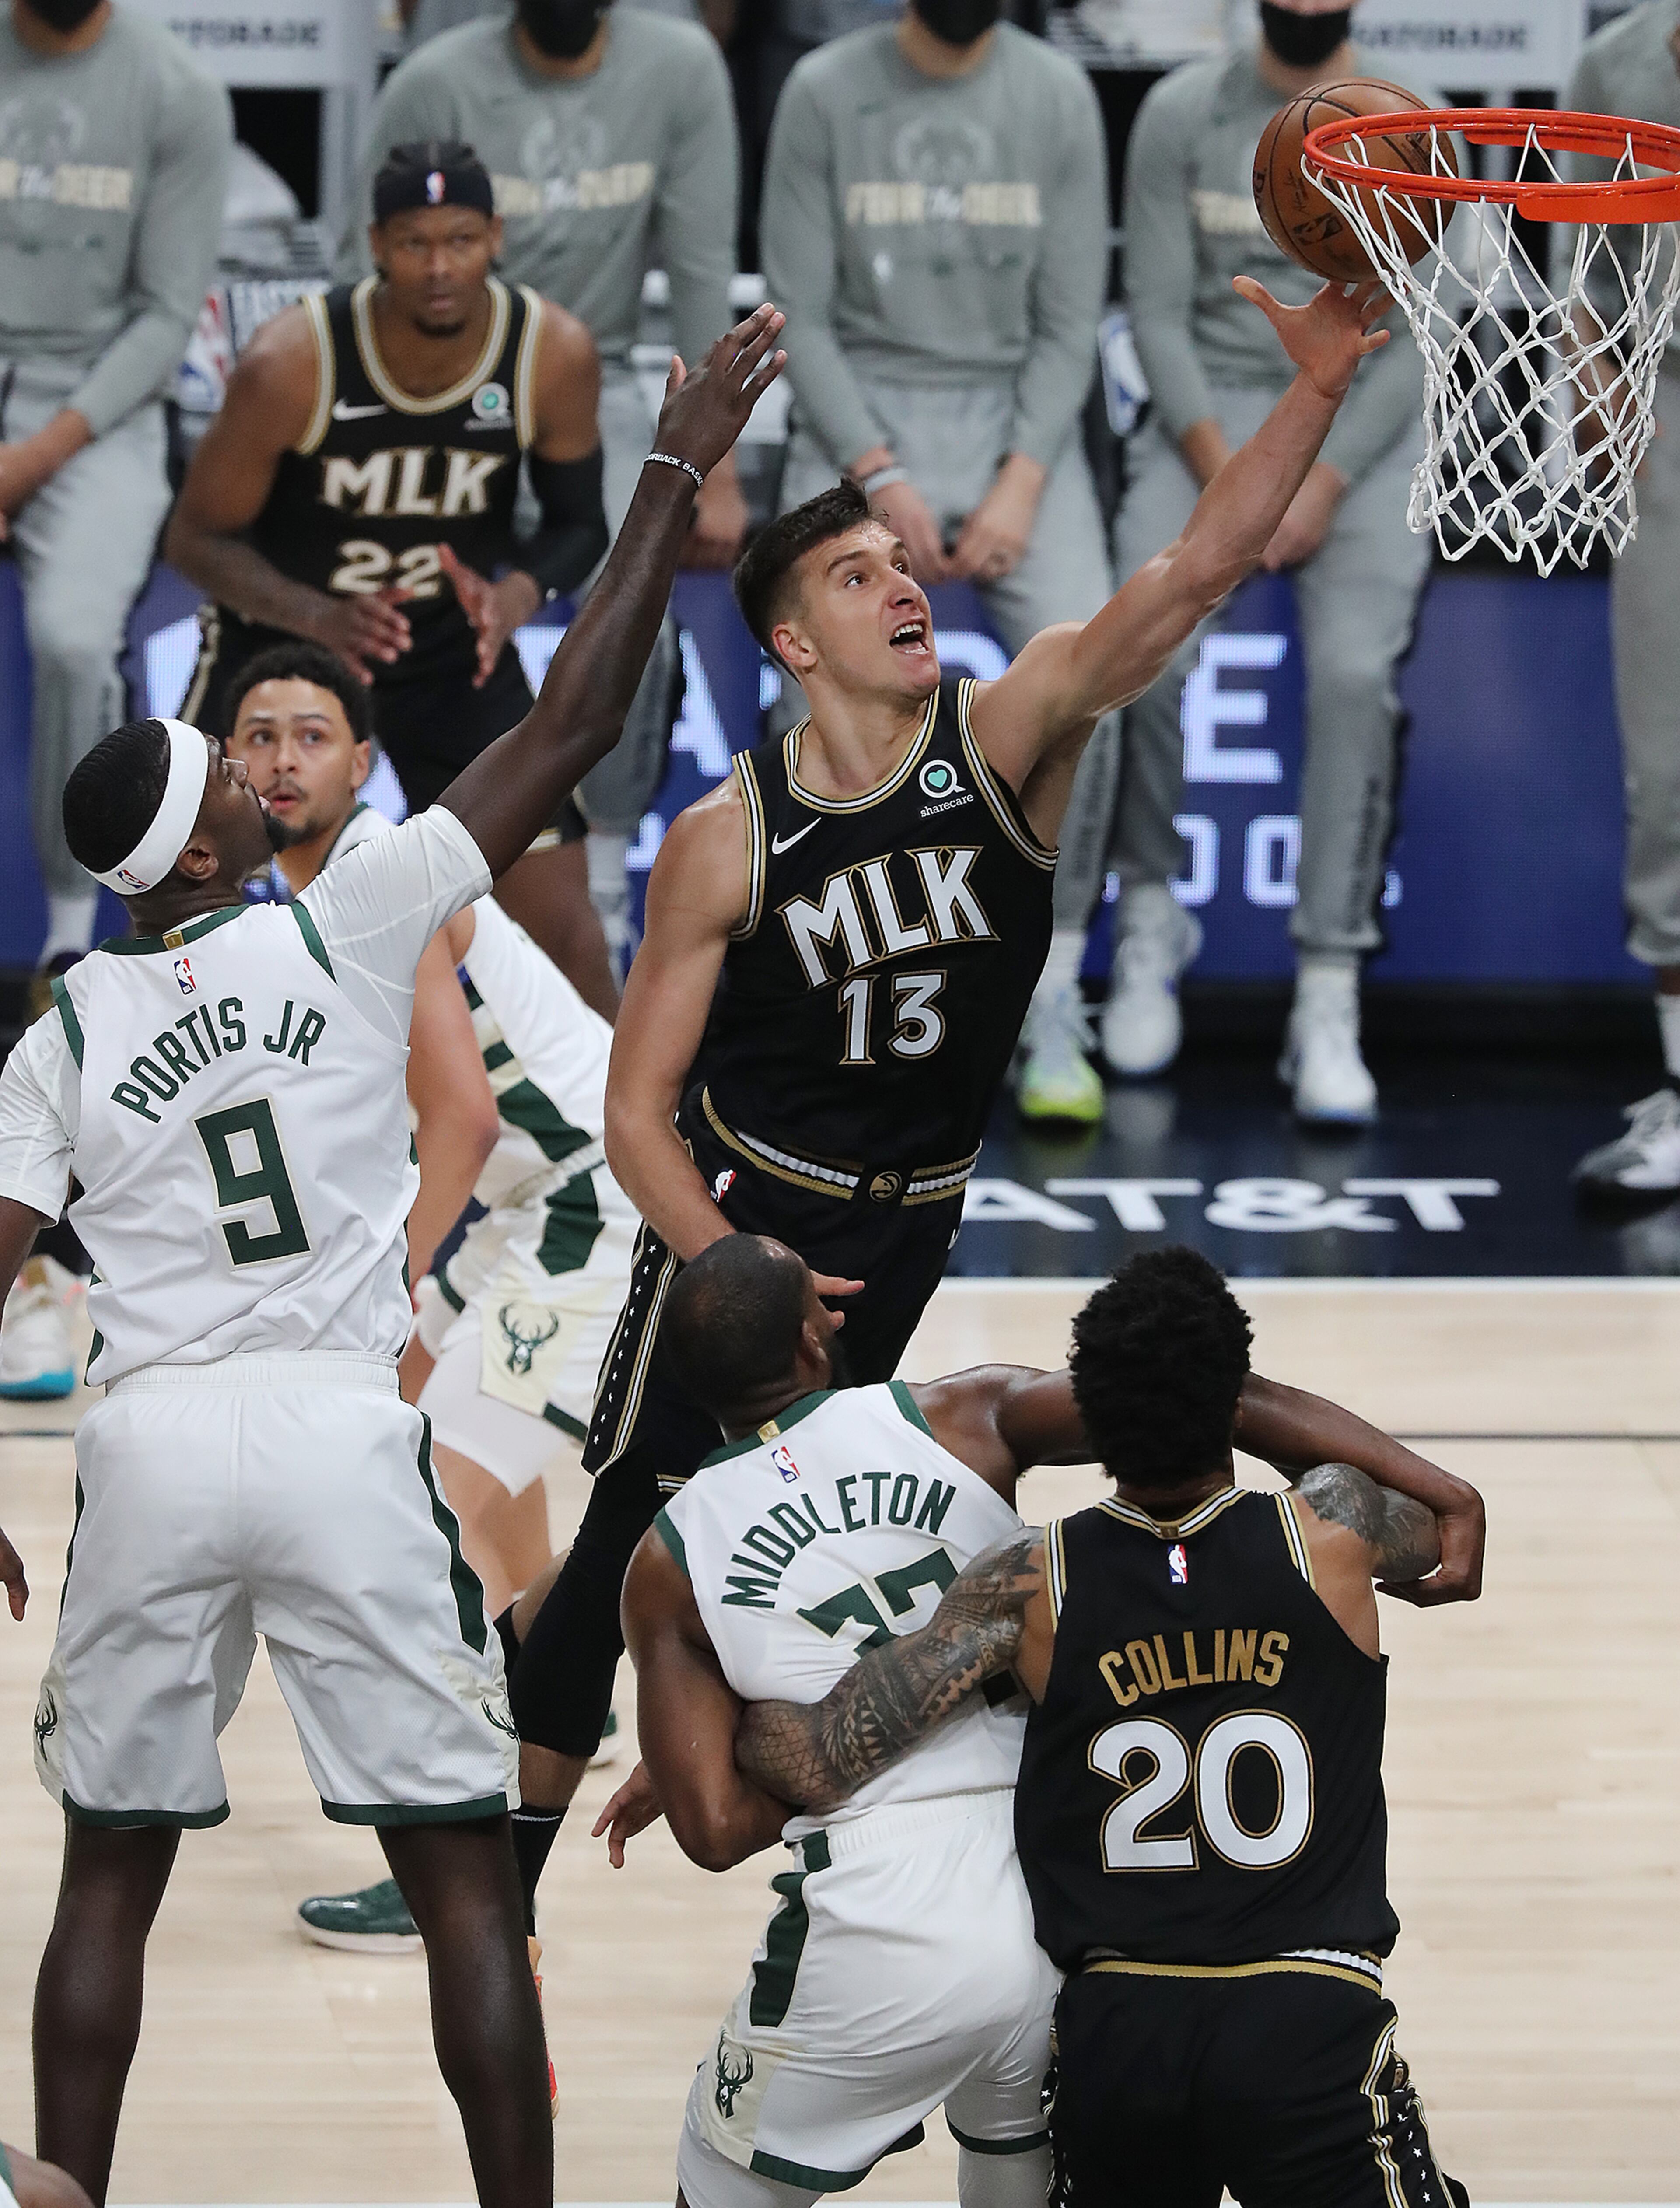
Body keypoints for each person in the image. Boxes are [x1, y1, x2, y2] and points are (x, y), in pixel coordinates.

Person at [495, 266, 1401, 1946]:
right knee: (642, 1506)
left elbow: (1197, 566)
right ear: (791, 639)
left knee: (856, 1524)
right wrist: (737, 1267)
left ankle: (769, 1771)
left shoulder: (1016, 728)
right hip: (752, 1214)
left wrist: (1326, 384)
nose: (903, 586)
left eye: (903, 564)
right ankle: (499, 1875)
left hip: (914, 1215)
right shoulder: (729, 832)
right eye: (858, 574)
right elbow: (637, 1110)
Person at [0, 302, 785, 2208]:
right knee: (455, 1881)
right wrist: (668, 467)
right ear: (219, 831)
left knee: (113, 1869)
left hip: (158, 1442)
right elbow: (578, 715)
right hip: (353, 1434)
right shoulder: (350, 918)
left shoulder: (57, 1033)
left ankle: (71, 2195)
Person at [592, 1235, 1483, 2208]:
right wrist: (1446, 1490)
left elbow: (766, 1791)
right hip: (1182, 1955)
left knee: (727, 2173)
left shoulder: (1015, 1590)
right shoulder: (1322, 1530)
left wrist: (719, 1732)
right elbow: (1331, 1466)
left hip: (1016, 1969)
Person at [216, 636, 639, 1984]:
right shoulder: (271, 899)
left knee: (433, 1506)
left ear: (362, 760)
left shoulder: (381, 881)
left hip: (588, 1196)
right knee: (445, 1452)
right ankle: (558, 1680)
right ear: (230, 763)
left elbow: (455, 1113)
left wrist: (385, 1279)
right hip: (524, 1202)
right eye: (261, 735)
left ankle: (458, 1841)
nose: (284, 757)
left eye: (312, 734)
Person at [758, 0, 1119, 1124]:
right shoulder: (822, 87)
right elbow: (799, 321)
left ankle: (1051, 995)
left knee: (1099, 670)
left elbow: (1072, 325)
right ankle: (819, 994)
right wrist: (880, 475)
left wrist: (1021, 479)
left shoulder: (1056, 92)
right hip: (859, 408)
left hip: (1016, 413)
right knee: (808, 683)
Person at [165, 139, 619, 1019]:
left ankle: (632, 1138)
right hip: (281, 645)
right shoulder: (292, 361)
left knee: (564, 923)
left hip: (451, 646)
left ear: (496, 235)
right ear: (376, 244)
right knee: (182, 893)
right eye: (416, 243)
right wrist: (316, 615)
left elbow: (579, 526)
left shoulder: (552, 352)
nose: (440, 267)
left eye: (460, 239)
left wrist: (515, 596)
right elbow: (194, 538)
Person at [343, 0, 747, 976]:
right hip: (440, 381)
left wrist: (715, 466)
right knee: (370, 595)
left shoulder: (683, 65)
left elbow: (700, 270)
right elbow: (357, 270)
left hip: (591, 373)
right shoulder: (432, 78)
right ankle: (344, 900)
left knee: (633, 593)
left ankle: (605, 883)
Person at [1105, 1, 1433, 1121]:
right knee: (1133, 653)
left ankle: (1328, 986)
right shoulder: (1178, 114)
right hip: (1213, 427)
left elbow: (1428, 337)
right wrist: (1234, 483)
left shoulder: (1411, 120)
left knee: (1352, 679)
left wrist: (1322, 480)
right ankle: (1151, 916)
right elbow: (1152, 312)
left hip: (1370, 435)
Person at [0, 0, 230, 1009]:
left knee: (73, 638)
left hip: (100, 408)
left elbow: (166, 313)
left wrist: (30, 460)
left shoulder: (176, 89)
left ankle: (60, 936)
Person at [1564, 3, 1680, 1198]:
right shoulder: (1618, 59)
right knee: (1671, 778)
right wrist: (1596, 371)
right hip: (1669, 407)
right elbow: (1579, 271)